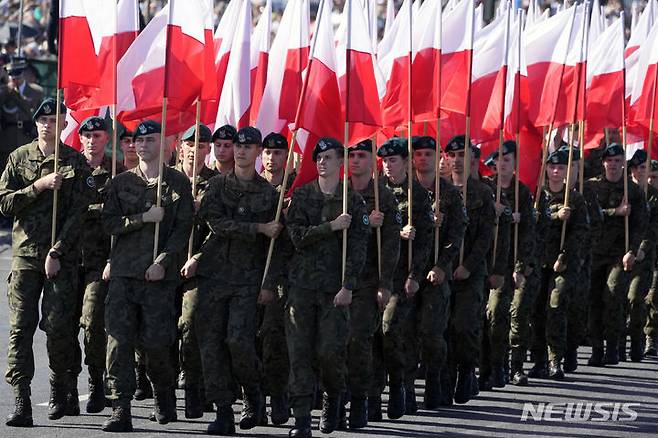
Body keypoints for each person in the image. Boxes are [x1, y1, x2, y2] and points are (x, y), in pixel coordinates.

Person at [0, 97, 93, 427]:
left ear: (63, 124)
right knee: (20, 329)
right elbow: (5, 204)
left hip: (60, 259)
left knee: (58, 328)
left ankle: (59, 387)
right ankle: (21, 399)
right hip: (25, 256)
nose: (46, 124)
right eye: (42, 118)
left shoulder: (75, 162)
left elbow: (78, 214)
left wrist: (58, 251)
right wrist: (37, 186)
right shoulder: (19, 158)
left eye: (54, 119)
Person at [101, 120, 194, 432]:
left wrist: (164, 262)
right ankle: (120, 407)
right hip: (125, 274)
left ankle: (163, 394)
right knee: (118, 342)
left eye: (150, 140)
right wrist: (142, 218)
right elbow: (109, 224)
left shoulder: (177, 183)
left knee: (157, 344)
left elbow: (182, 230)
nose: (142, 145)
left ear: (164, 145)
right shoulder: (120, 183)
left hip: (158, 278)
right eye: (138, 141)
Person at [193, 127, 286, 435]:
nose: (242, 151)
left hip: (248, 279)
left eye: (249, 147)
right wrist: (257, 228)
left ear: (259, 152)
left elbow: (276, 247)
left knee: (239, 341)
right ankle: (223, 410)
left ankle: (253, 392)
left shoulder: (268, 193)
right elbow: (215, 223)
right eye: (238, 146)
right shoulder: (218, 185)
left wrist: (269, 284)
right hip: (215, 276)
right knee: (210, 344)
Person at [286, 137, 369, 438]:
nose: (322, 161)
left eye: (328, 157)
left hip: (334, 289)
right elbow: (295, 236)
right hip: (302, 286)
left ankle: (333, 398)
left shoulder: (352, 200)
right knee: (300, 353)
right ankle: (302, 418)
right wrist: (330, 227)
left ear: (340, 162)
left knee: (330, 352)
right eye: (318, 157)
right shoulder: (304, 196)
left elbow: (359, 248)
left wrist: (348, 286)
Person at [374, 137, 433, 419]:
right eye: (384, 161)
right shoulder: (375, 191)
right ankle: (375, 393)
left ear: (406, 163)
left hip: (401, 276)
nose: (387, 166)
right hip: (375, 274)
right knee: (374, 335)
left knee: (393, 330)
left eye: (393, 160)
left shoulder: (417, 195)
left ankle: (400, 384)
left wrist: (415, 275)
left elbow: (425, 241)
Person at [347, 139, 401, 427]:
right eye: (351, 155)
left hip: (368, 280)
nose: (355, 160)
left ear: (372, 161)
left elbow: (391, 244)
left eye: (361, 155)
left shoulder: (383, 197)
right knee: (336, 343)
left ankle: (365, 399)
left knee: (361, 339)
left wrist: (385, 283)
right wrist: (367, 222)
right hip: (338, 280)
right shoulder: (339, 193)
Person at [76, 116, 126, 414]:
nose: (92, 140)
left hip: (102, 261)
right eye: (87, 135)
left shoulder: (119, 173)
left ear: (107, 138)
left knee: (94, 321)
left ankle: (97, 381)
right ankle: (66, 388)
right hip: (69, 258)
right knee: (63, 326)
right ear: (80, 138)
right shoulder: (68, 168)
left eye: (98, 135)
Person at [412, 136, 466, 408]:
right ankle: (406, 388)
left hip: (435, 273)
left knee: (433, 333)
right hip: (407, 273)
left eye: (428, 154)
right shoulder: (403, 192)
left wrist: (442, 265)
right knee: (403, 333)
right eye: (418, 154)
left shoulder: (449, 193)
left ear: (438, 158)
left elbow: (457, 233)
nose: (423, 158)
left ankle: (436, 380)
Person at [443, 135, 496, 404]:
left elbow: (486, 237)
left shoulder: (482, 193)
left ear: (472, 159)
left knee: (465, 325)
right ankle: (447, 375)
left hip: (470, 272)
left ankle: (466, 371)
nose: (456, 160)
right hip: (443, 270)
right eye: (452, 155)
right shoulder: (440, 191)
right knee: (444, 327)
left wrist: (467, 266)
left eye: (462, 155)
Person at [528, 147, 588, 380]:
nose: (555, 171)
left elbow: (581, 233)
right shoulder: (536, 197)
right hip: (538, 261)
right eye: (552, 167)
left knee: (555, 305)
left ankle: (555, 359)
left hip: (563, 263)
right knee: (536, 310)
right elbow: (532, 226)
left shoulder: (574, 199)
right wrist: (555, 216)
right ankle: (539, 359)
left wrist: (564, 257)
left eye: (560, 167)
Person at [587, 143, 646, 366]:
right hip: (594, 252)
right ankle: (596, 347)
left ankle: (613, 346)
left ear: (623, 163)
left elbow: (640, 224)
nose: (613, 165)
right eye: (609, 161)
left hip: (618, 254)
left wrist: (632, 251)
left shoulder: (634, 192)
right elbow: (590, 216)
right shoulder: (590, 187)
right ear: (603, 163)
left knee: (612, 296)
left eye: (617, 161)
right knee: (594, 300)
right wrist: (616, 212)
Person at [483, 141, 535, 388]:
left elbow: (529, 234)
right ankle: (494, 366)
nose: (502, 164)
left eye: (507, 160)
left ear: (515, 163)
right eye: (499, 160)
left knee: (511, 315)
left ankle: (514, 366)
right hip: (488, 261)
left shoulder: (522, 193)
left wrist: (520, 268)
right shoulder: (487, 189)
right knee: (491, 316)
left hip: (510, 264)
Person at [175, 124, 218, 419]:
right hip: (163, 266)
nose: (195, 149)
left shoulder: (218, 184)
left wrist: (199, 257)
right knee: (160, 333)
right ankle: (163, 395)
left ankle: (195, 390)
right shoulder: (167, 180)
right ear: (181, 147)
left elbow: (220, 231)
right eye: (191, 144)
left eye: (202, 144)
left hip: (199, 268)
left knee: (191, 327)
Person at [259, 132, 295, 426]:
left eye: (278, 152)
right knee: (245, 338)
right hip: (248, 273)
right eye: (267, 152)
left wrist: (289, 215)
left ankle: (279, 396)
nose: (272, 158)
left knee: (275, 339)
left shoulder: (298, 188)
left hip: (284, 276)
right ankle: (253, 398)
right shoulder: (250, 186)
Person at [625, 150, 658, 362]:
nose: (640, 171)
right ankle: (618, 341)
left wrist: (643, 248)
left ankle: (648, 337)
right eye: (636, 167)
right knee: (623, 298)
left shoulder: (654, 196)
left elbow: (653, 227)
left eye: (644, 167)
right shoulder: (625, 194)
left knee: (646, 297)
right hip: (623, 253)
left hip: (648, 255)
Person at [0, 61, 44, 173]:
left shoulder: (36, 91)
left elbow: (38, 114)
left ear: (23, 75)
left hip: (26, 136)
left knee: (25, 169)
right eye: (13, 78)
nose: (15, 81)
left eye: (18, 78)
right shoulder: (4, 91)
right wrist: (7, 91)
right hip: (7, 137)